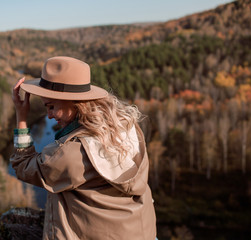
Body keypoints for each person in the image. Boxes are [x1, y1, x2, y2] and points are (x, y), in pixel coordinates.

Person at [10, 56, 157, 239]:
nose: (48, 116)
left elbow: (23, 165)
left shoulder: (72, 153)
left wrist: (21, 117)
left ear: (74, 102)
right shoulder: (126, 127)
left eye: (51, 106)